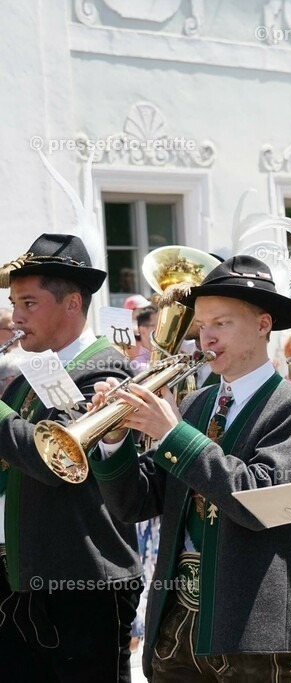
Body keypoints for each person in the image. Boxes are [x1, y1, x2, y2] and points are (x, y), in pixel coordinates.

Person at [89, 254, 291, 681]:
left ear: (263, 324)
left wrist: (173, 435)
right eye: (202, 325)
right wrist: (114, 437)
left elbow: (259, 501)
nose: (205, 338)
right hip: (178, 621)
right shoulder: (196, 403)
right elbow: (135, 503)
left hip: (251, 631)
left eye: (222, 324)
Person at [0, 233, 142, 681]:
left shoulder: (104, 369)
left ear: (72, 303)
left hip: (83, 583)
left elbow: (53, 460)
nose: (15, 317)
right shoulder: (33, 369)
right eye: (13, 303)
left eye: (27, 303)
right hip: (26, 577)